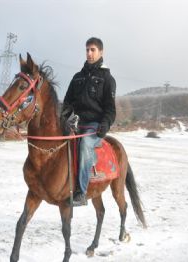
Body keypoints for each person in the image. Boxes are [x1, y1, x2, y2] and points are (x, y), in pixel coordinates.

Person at [61, 37, 116, 206]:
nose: (89, 53)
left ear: (101, 52)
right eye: (87, 50)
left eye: (92, 50)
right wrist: (65, 117)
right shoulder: (77, 77)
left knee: (85, 144)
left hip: (94, 126)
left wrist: (104, 125)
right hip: (76, 123)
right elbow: (67, 102)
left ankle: (81, 192)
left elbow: (110, 109)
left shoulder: (107, 78)